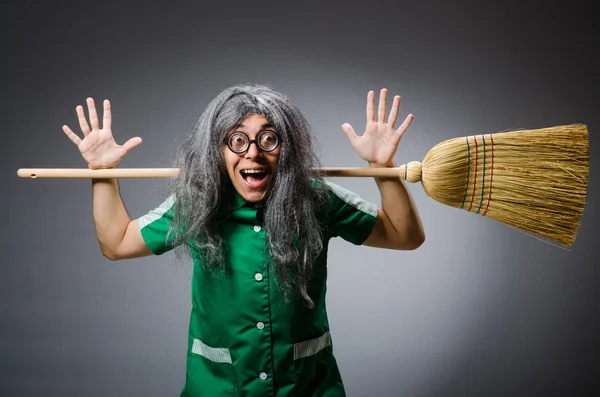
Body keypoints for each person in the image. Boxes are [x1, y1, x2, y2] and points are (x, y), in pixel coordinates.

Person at [62, 84, 425, 396]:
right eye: (237, 140)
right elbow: (117, 242)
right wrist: (102, 172)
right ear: (217, 151)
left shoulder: (316, 199)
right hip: (219, 388)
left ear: (288, 147)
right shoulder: (198, 201)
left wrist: (384, 167)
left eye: (269, 138)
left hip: (308, 387)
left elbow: (404, 236)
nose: (253, 152)